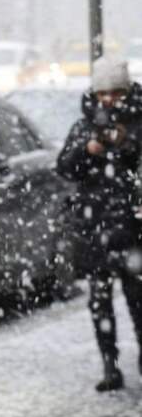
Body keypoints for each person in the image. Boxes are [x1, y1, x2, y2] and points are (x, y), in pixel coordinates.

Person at [57, 55, 142, 392]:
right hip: (94, 231)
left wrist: (126, 145)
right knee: (100, 303)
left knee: (138, 302)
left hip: (133, 230)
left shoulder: (138, 123)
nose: (108, 99)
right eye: (103, 93)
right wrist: (87, 150)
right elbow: (64, 167)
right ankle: (110, 365)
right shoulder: (83, 126)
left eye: (115, 93)